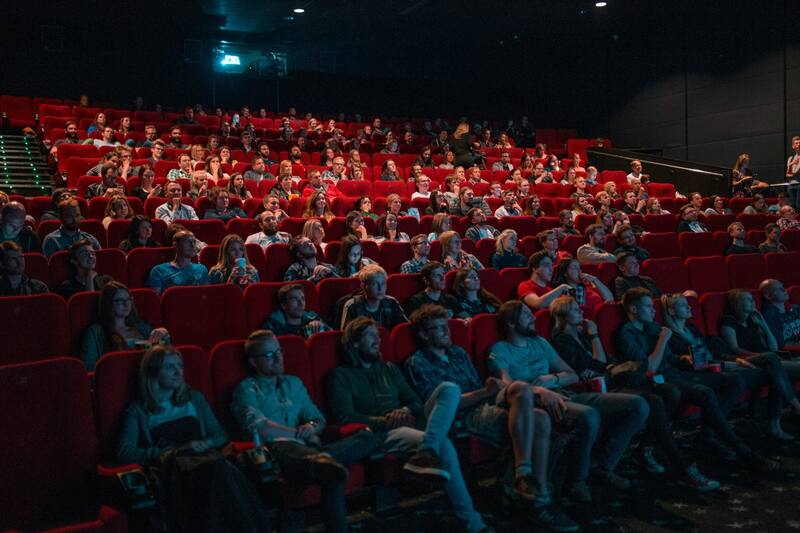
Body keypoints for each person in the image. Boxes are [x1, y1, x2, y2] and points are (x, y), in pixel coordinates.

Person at [404, 305, 579, 530]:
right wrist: (484, 392)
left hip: (483, 403)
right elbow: (441, 406)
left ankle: (530, 484)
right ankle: (536, 499)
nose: (446, 332)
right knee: (539, 420)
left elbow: (480, 388)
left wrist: (489, 391)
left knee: (527, 397)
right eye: (437, 329)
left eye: (445, 326)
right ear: (424, 334)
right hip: (462, 414)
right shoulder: (418, 362)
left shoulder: (458, 353)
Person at [326, 317, 491, 533]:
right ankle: (473, 524)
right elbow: (345, 416)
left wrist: (404, 411)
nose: (378, 340)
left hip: (411, 421)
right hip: (382, 433)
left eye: (378, 335)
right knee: (446, 446)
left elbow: (414, 401)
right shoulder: (340, 376)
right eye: (370, 336)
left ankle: (427, 449)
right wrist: (385, 420)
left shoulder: (389, 368)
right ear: (355, 343)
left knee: (450, 388)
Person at [550, 296, 719, 491]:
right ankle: (681, 466)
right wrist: (595, 338)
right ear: (562, 316)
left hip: (614, 380)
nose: (581, 311)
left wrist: (592, 339)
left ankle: (647, 451)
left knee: (666, 393)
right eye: (574, 309)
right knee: (654, 401)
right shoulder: (562, 339)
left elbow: (600, 363)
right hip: (601, 387)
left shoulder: (583, 334)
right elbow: (597, 364)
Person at [489, 300, 649, 500]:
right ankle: (576, 480)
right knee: (589, 416)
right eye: (526, 315)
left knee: (637, 405)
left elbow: (572, 375)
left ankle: (602, 465)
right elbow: (508, 387)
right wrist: (539, 390)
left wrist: (552, 378)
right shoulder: (501, 349)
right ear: (511, 323)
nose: (533, 318)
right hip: (539, 403)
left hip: (565, 392)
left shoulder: (541, 342)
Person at [615, 288, 779, 471]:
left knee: (734, 380)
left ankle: (708, 435)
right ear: (634, 310)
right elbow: (650, 368)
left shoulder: (652, 327)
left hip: (675, 373)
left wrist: (685, 358)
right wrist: (662, 340)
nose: (654, 311)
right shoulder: (626, 333)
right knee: (705, 392)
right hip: (655, 380)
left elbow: (669, 358)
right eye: (648, 306)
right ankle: (741, 450)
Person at [231, 330, 375, 533]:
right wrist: (298, 433)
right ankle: (324, 462)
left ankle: (324, 460)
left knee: (366, 437)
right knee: (331, 473)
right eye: (269, 355)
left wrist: (311, 428)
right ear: (254, 362)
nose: (278, 358)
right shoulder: (247, 388)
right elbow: (258, 427)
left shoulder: (294, 383)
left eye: (279, 351)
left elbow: (318, 418)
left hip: (309, 447)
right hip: (277, 449)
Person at [118, 345, 269, 533]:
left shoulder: (193, 398)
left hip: (206, 457)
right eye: (169, 367)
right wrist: (166, 452)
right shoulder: (139, 411)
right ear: (154, 372)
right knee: (220, 472)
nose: (178, 371)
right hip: (176, 468)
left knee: (221, 470)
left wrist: (205, 442)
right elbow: (125, 452)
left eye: (180, 366)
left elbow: (220, 435)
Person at [666, 290, 800, 442]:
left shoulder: (692, 328)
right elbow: (679, 361)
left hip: (722, 363)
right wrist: (734, 361)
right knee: (773, 366)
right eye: (684, 305)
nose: (690, 308)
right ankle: (782, 417)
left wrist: (735, 361)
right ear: (671, 311)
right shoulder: (670, 335)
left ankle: (776, 423)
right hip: (708, 370)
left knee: (774, 369)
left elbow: (715, 353)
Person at [79, 281, 169, 369]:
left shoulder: (142, 327)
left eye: (128, 299)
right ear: (108, 303)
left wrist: (164, 333)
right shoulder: (96, 331)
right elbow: (89, 367)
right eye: (119, 300)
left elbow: (163, 355)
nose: (126, 304)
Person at [339, 264, 407, 330]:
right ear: (363, 286)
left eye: (383, 283)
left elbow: (404, 330)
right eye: (375, 284)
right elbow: (347, 337)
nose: (380, 288)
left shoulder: (392, 303)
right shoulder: (352, 306)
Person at [146, 230, 209, 295]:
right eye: (188, 241)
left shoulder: (201, 269)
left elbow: (205, 297)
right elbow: (155, 301)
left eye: (194, 242)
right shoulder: (158, 271)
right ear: (176, 245)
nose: (193, 245)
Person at [261, 284, 330, 338]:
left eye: (302, 298)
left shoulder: (313, 318)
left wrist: (321, 325)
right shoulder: (274, 327)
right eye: (294, 299)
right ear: (284, 305)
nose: (301, 303)